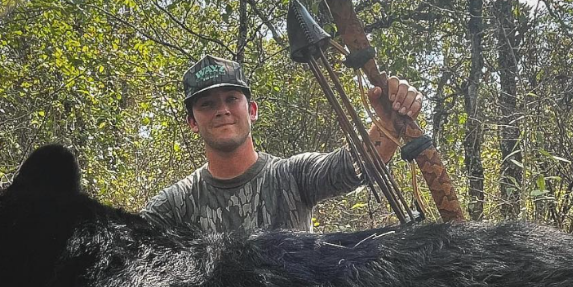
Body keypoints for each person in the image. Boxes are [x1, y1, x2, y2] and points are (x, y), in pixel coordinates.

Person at [142, 54, 425, 234]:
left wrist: (388, 122)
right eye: (207, 104)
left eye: (231, 99)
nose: (222, 110)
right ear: (192, 122)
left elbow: (352, 167)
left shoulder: (292, 175)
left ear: (252, 110)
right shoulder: (175, 204)